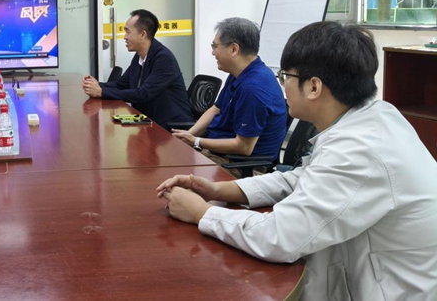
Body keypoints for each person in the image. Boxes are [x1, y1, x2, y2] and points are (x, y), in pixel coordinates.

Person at [156, 22, 437, 300]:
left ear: (313, 87)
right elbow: (304, 176)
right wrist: (219, 190)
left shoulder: (361, 148)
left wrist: (202, 213)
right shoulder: (370, 118)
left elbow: (280, 236)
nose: (282, 86)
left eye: (285, 76)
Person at [171, 18, 287, 177]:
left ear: (234, 49)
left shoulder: (253, 88)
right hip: (219, 154)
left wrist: (196, 141)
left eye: (215, 46)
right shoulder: (239, 73)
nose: (213, 52)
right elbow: (216, 109)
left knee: (170, 173)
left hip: (239, 166)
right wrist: (188, 136)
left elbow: (244, 147)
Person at [82, 9, 192, 129]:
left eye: (128, 32)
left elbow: (143, 94)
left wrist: (101, 92)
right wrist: (96, 85)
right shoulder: (139, 56)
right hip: (148, 120)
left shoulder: (164, 58)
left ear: (142, 34)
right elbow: (121, 84)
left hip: (170, 126)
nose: (124, 37)